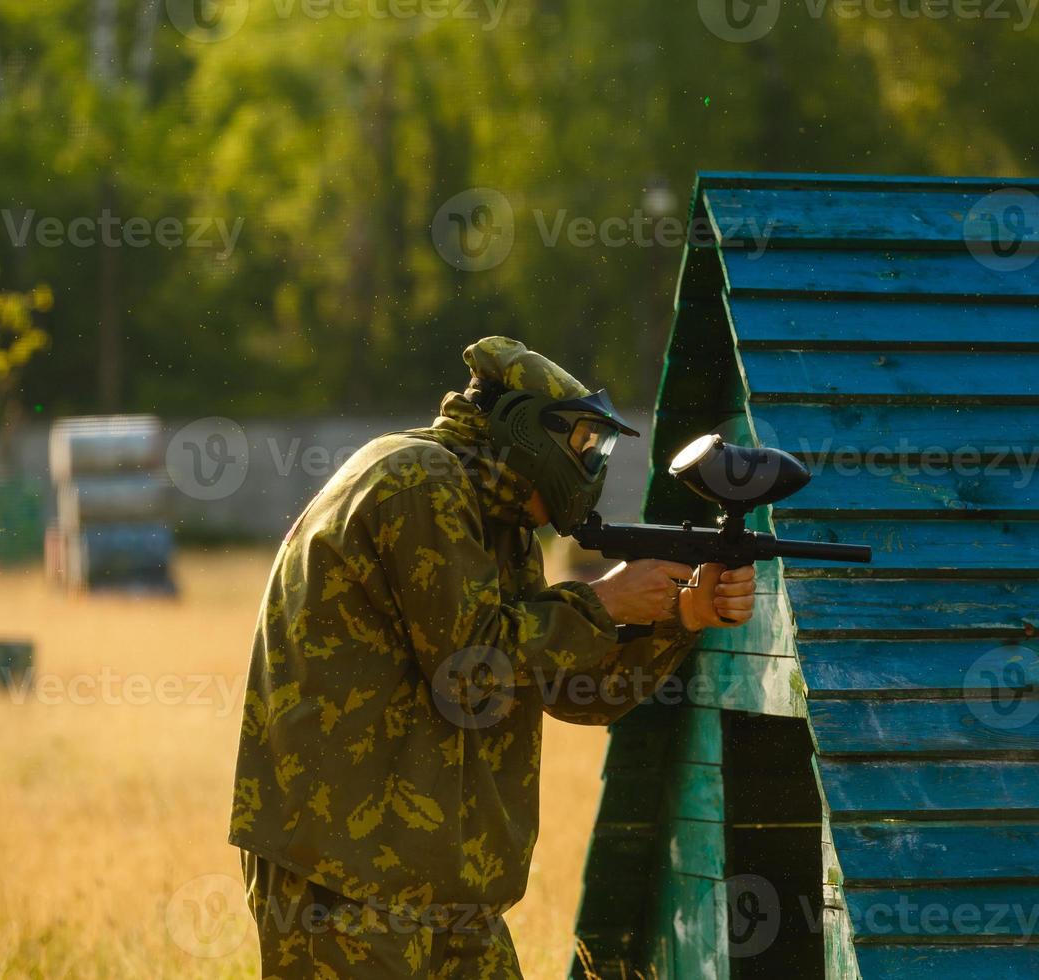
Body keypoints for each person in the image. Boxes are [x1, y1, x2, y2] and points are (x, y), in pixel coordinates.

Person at [229, 337, 757, 978]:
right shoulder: (418, 481)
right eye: (582, 447)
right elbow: (471, 673)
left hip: (441, 889)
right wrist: (606, 601)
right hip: (345, 876)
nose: (591, 468)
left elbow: (571, 691)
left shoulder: (498, 526)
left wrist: (679, 618)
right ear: (525, 432)